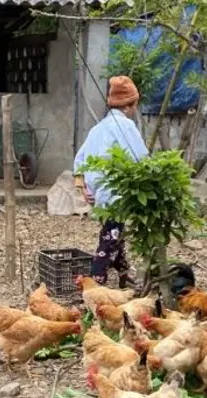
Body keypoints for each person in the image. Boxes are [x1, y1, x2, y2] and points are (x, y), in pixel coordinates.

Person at [73, 75, 149, 288]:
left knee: (115, 235)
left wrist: (82, 188)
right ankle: (95, 287)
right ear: (130, 105)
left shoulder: (97, 128)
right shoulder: (126, 126)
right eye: (135, 105)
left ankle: (124, 275)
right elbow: (141, 160)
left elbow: (79, 160)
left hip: (98, 197)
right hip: (117, 195)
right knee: (108, 243)